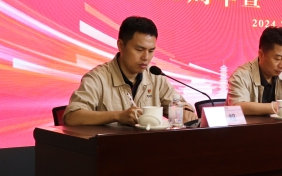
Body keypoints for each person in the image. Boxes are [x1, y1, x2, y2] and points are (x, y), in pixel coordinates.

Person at [64, 16, 196, 126]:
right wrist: (117, 116)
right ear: (121, 45)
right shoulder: (97, 78)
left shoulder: (155, 77)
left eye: (151, 51)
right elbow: (71, 117)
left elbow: (179, 104)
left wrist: (185, 112)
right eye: (139, 50)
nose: (146, 57)